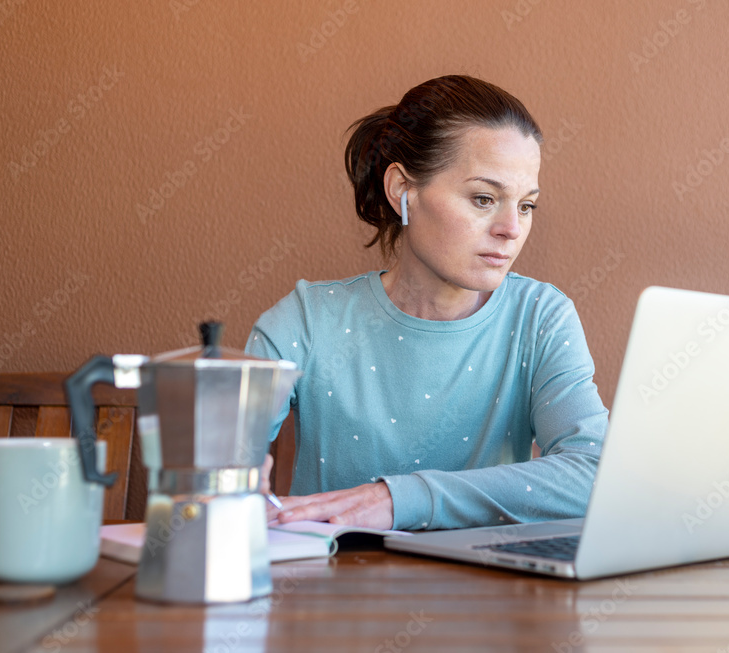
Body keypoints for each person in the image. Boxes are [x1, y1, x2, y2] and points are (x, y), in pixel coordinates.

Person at [246, 74, 608, 531]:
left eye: (525, 206)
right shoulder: (305, 321)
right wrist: (227, 473)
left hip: (491, 596)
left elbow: (594, 474)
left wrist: (401, 499)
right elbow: (220, 466)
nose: (511, 229)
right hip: (329, 594)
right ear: (403, 190)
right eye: (484, 198)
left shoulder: (540, 317)